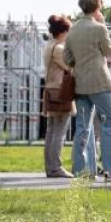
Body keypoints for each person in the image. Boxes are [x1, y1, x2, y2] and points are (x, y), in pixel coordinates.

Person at [63, 0, 111, 182]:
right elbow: (109, 50)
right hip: (99, 82)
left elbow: (67, 58)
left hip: (81, 84)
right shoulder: (99, 28)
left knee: (83, 127)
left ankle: (83, 171)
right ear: (98, 7)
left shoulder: (73, 29)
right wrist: (104, 26)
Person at [42, 15, 76, 178]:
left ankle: (50, 167)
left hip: (50, 90)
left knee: (51, 130)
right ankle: (56, 167)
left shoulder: (49, 46)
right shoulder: (59, 49)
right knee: (59, 131)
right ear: (63, 32)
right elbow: (71, 67)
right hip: (60, 92)